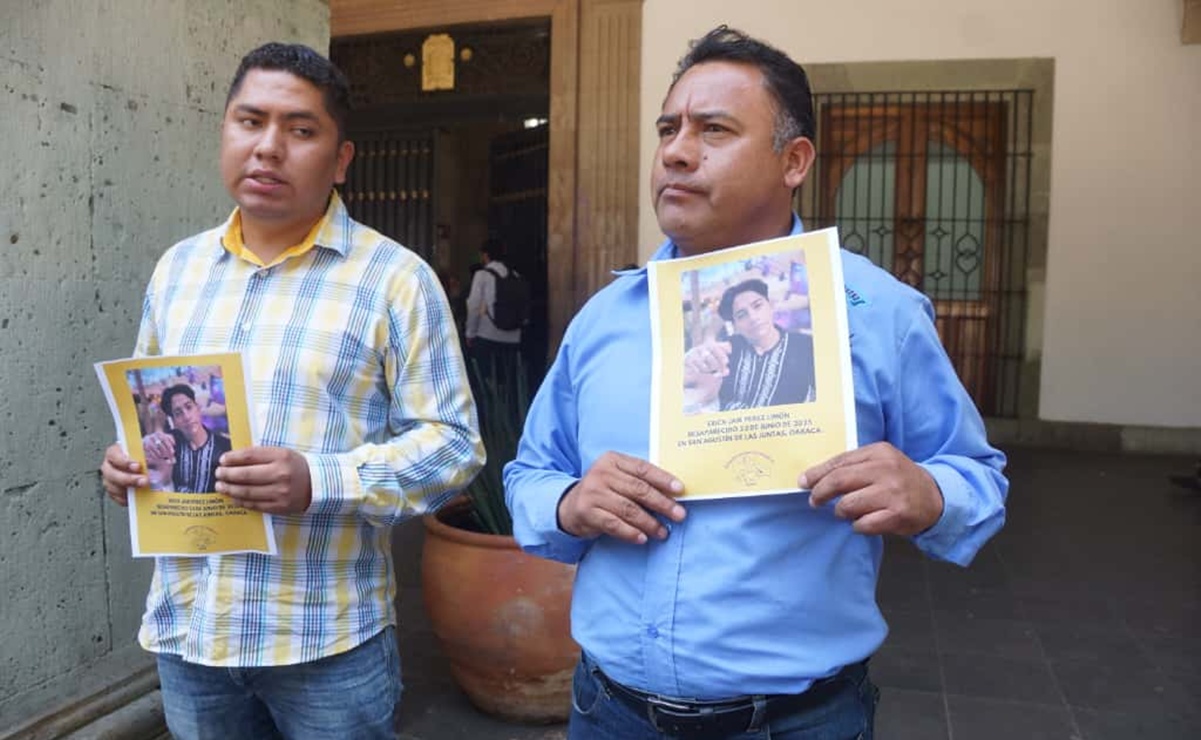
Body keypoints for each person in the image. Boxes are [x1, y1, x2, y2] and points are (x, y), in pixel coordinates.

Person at [504, 25, 1007, 740]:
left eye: (713, 130)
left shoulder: (876, 312)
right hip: (608, 713)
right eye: (667, 128)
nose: (675, 152)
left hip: (798, 724)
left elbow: (977, 479)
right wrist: (568, 503)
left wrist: (928, 493)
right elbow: (529, 472)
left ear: (792, 160)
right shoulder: (604, 319)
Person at [98, 43, 483, 740]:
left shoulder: (394, 279)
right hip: (192, 629)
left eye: (300, 130)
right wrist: (128, 462)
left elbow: (454, 447)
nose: (268, 147)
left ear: (340, 160)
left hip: (322, 642)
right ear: (225, 133)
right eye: (250, 122)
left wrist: (318, 478)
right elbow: (149, 405)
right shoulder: (177, 270)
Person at [683, 278, 816, 413]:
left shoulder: (805, 346)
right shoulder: (729, 350)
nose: (753, 317)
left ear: (770, 306)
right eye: (741, 315)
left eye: (757, 306)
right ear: (735, 325)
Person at [142, 383, 232, 493]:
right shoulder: (171, 444)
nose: (187, 417)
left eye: (189, 407)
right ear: (173, 421)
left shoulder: (225, 446)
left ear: (198, 408)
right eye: (178, 413)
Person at [464, 236, 522, 385]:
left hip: (487, 337)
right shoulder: (516, 276)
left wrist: (470, 333)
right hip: (513, 338)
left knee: (486, 383)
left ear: (485, 255)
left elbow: (474, 306)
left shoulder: (482, 275)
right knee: (508, 385)